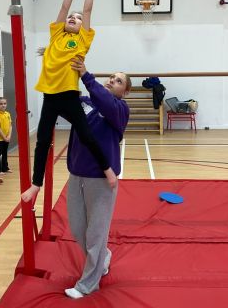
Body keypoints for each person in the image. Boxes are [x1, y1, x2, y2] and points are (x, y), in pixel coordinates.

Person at [21, 0, 117, 203]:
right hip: (50, 97)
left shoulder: (83, 39)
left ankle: (107, 169)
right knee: (42, 141)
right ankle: (36, 184)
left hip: (69, 96)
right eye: (70, 17)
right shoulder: (56, 34)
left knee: (86, 135)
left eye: (78, 18)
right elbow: (64, 7)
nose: (73, 18)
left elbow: (87, 10)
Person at [64, 57, 131, 299]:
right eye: (112, 77)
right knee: (77, 229)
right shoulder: (85, 102)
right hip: (76, 175)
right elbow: (64, 99)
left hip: (101, 179)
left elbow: (104, 101)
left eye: (119, 81)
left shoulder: (119, 110)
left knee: (96, 233)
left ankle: (88, 284)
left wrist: (86, 75)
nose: (112, 80)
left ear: (125, 91)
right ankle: (103, 258)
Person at [0, 97, 12, 175]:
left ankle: (5, 168)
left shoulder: (7, 114)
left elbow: (10, 126)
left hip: (7, 138)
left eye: (4, 103)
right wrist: (4, 137)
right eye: (1, 104)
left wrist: (9, 136)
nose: (3, 105)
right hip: (0, 139)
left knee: (5, 153)